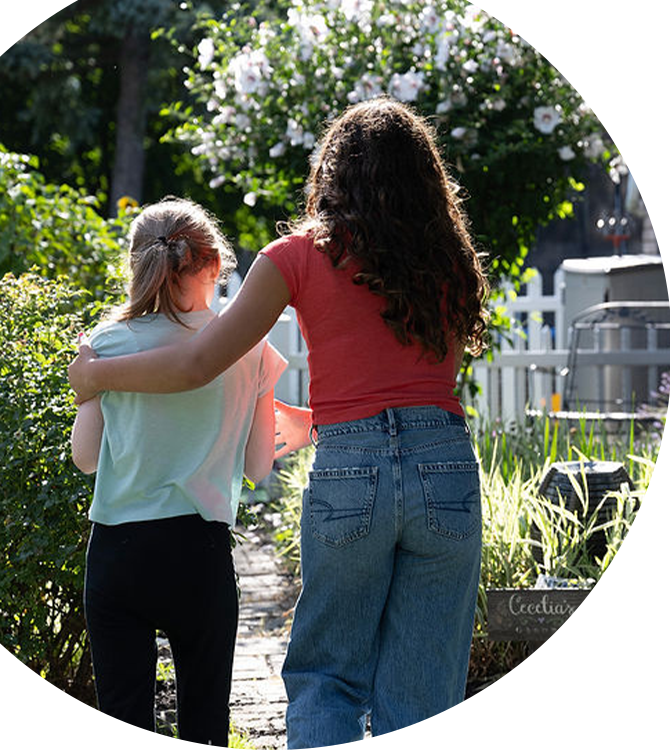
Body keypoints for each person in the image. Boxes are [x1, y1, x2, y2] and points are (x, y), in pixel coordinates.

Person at [69, 97, 489, 749]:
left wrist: (96, 378)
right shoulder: (451, 260)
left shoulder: (295, 257)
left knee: (329, 677)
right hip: (446, 463)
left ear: (332, 171)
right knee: (421, 687)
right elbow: (396, 382)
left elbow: (197, 363)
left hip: (351, 470)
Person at [70, 196, 286, 750]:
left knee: (124, 731)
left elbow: (87, 458)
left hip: (119, 552)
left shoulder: (107, 345)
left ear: (138, 266)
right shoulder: (252, 350)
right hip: (200, 554)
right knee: (205, 729)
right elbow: (259, 466)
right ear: (215, 264)